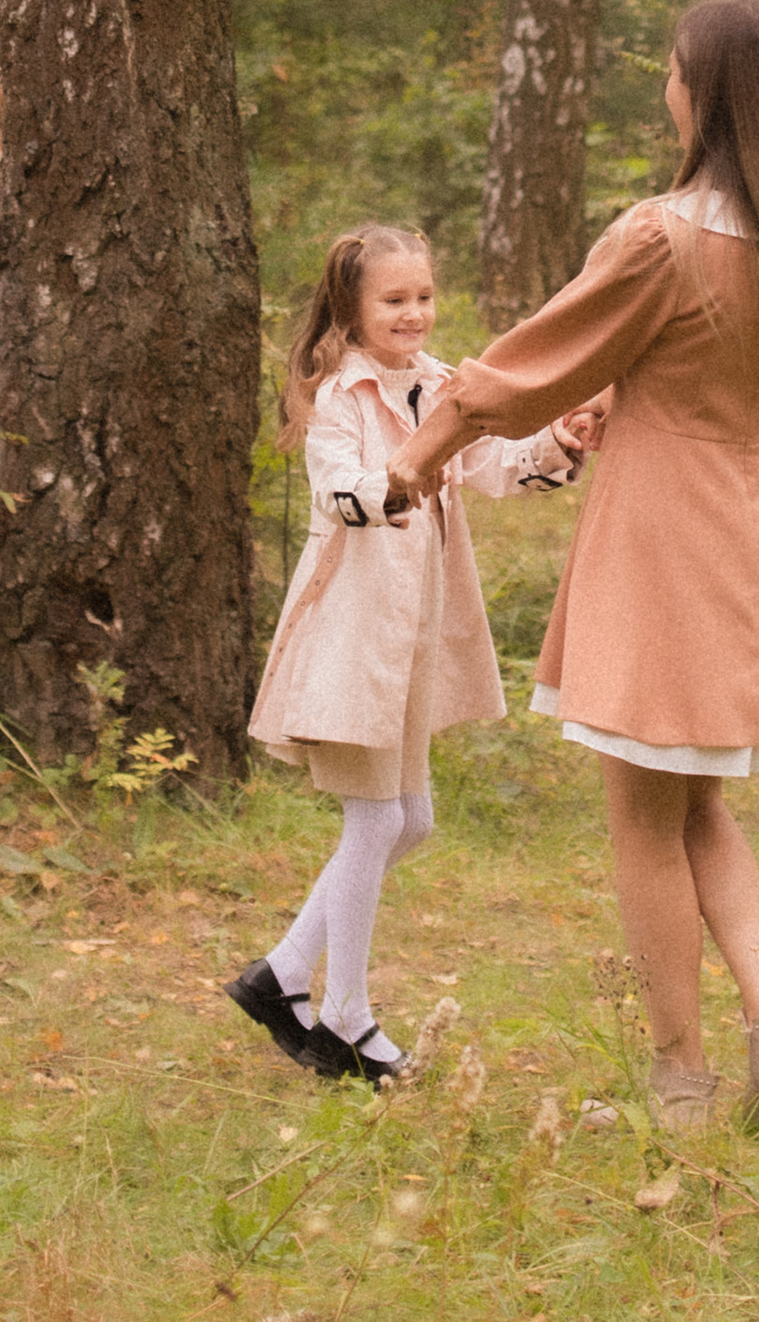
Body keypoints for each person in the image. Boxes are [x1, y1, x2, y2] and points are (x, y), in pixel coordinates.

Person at [388, 0, 759, 1128]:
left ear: (699, 94)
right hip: (751, 534)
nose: (661, 86)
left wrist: (422, 449)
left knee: (643, 822)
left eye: (669, 70)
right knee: (700, 808)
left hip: (667, 539)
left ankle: (678, 1086)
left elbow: (528, 368)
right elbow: (668, 365)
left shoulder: (663, 233)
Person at [228, 223, 591, 1083]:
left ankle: (280, 975)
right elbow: (341, 490)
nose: (414, 313)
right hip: (354, 631)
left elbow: (500, 465)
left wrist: (562, 440)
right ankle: (344, 1017)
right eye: (394, 300)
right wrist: (400, 476)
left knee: (411, 819)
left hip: (415, 628)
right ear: (352, 309)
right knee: (377, 817)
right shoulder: (336, 396)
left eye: (423, 297)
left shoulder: (441, 383)